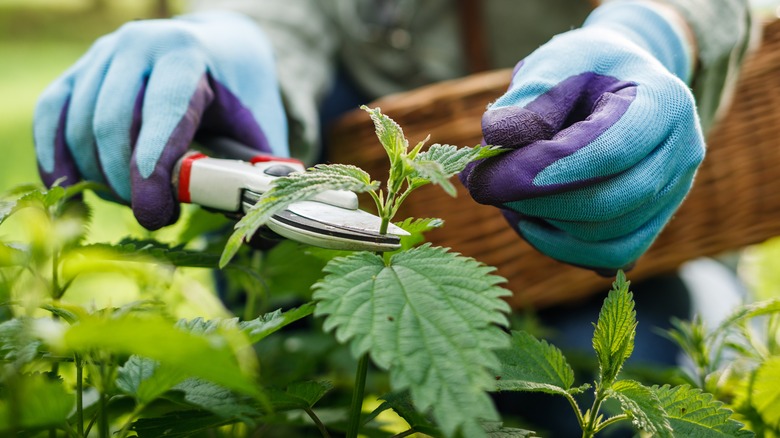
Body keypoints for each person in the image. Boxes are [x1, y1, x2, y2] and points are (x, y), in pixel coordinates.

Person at [31, 0, 753, 434]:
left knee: (625, 386)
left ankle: (707, 319)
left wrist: (655, 31)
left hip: (623, 235)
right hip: (342, 179)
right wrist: (233, 37)